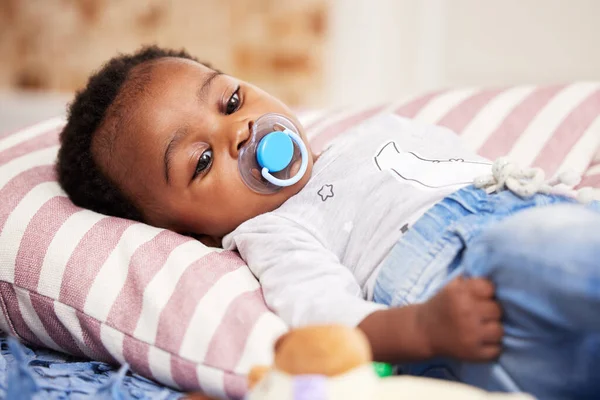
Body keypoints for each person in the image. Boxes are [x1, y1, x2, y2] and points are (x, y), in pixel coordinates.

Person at [56, 46, 600, 399]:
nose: (240, 132)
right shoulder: (272, 233)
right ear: (191, 233)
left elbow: (482, 172)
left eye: (231, 100)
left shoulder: (377, 131)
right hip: (466, 285)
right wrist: (425, 328)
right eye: (201, 162)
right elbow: (331, 318)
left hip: (539, 216)